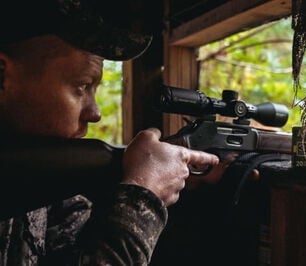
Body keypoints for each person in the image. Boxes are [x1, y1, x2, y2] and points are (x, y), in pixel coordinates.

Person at [0, 0, 219, 265]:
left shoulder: (32, 175)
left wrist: (170, 178)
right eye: (82, 86)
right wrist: (144, 193)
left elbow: (75, 245)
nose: (95, 113)